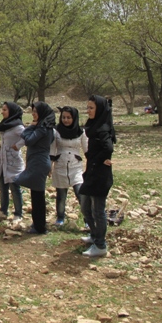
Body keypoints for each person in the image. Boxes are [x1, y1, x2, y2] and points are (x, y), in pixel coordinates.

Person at [79, 95, 116, 257]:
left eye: (91, 108)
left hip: (100, 174)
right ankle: (94, 236)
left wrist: (98, 161)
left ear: (99, 109)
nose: (88, 111)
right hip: (92, 172)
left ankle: (100, 245)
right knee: (85, 207)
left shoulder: (103, 128)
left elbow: (108, 148)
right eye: (87, 108)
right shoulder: (94, 126)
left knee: (97, 210)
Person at [14, 102, 56, 234]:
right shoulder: (44, 127)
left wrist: (29, 127)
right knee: (36, 195)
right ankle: (38, 224)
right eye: (33, 111)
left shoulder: (42, 128)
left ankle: (40, 227)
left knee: (37, 195)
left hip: (39, 163)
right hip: (37, 162)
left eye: (36, 112)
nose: (33, 114)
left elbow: (28, 140)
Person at [50, 106, 87, 226]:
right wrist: (49, 166)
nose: (66, 120)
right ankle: (60, 218)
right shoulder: (56, 132)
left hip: (76, 166)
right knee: (61, 195)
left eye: (69, 118)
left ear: (74, 118)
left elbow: (87, 151)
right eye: (64, 117)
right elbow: (52, 150)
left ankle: (88, 220)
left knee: (80, 193)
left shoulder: (81, 132)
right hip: (60, 165)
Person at [0, 102, 25, 222]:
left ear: (11, 111)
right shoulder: (6, 125)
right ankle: (3, 211)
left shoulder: (18, 127)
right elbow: (3, 144)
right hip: (3, 161)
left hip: (13, 162)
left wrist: (18, 145)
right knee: (2, 185)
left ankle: (18, 214)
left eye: (5, 110)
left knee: (14, 187)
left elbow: (27, 137)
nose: (2, 112)